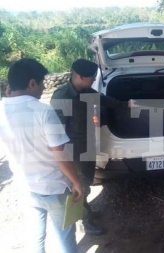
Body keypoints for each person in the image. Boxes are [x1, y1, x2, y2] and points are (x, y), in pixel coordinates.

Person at [0, 58, 83, 252]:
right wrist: (76, 182)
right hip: (54, 186)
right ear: (31, 83)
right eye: (42, 82)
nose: (43, 87)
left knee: (36, 237)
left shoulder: (2, 110)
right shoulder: (43, 111)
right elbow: (60, 154)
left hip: (26, 186)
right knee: (65, 239)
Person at [50, 59, 126, 236]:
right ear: (79, 76)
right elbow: (56, 133)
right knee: (78, 187)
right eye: (91, 78)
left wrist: (124, 104)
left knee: (86, 184)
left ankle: (87, 212)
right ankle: (84, 222)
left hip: (87, 147)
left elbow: (102, 99)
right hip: (73, 152)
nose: (93, 80)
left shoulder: (85, 90)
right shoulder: (63, 97)